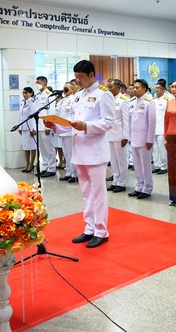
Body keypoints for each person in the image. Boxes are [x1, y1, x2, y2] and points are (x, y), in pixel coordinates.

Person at [69, 60, 115, 249]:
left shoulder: (103, 95)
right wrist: (55, 124)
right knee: (86, 193)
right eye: (76, 77)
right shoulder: (79, 96)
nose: (78, 81)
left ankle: (101, 231)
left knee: (98, 193)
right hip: (79, 149)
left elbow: (109, 122)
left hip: (95, 151)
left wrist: (87, 126)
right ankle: (89, 227)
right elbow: (72, 120)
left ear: (91, 75)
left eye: (81, 77)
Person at [127, 79, 156, 199]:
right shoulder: (133, 101)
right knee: (137, 165)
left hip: (144, 140)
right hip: (134, 139)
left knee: (145, 165)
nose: (135, 89)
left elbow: (152, 122)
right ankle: (139, 186)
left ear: (144, 89)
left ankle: (147, 188)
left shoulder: (150, 102)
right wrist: (129, 137)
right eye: (134, 87)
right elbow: (130, 121)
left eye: (137, 87)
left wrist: (150, 139)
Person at [106, 79, 130, 193]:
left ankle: (122, 182)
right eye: (108, 87)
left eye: (111, 87)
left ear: (119, 88)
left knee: (122, 160)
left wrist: (125, 136)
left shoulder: (123, 100)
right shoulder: (108, 99)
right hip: (109, 134)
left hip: (120, 134)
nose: (109, 89)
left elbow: (126, 120)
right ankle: (115, 180)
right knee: (113, 160)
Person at [34, 76, 57, 178]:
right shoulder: (39, 96)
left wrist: (49, 126)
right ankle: (45, 167)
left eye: (38, 82)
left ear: (44, 83)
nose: (37, 84)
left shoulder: (49, 95)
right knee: (42, 149)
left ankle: (52, 168)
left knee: (49, 148)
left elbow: (51, 112)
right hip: (39, 125)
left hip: (46, 126)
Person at [55, 82, 78, 183]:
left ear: (72, 90)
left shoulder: (75, 99)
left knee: (72, 153)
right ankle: (68, 172)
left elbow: (75, 114)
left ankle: (74, 174)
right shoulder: (62, 100)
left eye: (67, 88)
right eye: (64, 87)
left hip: (70, 130)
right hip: (61, 129)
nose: (64, 89)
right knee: (66, 153)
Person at [151, 82, 169, 175]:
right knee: (155, 148)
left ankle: (164, 166)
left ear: (163, 90)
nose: (156, 89)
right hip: (153, 128)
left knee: (162, 148)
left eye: (159, 88)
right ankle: (157, 165)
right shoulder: (152, 101)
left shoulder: (166, 101)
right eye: (156, 87)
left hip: (162, 128)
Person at [18, 86, 37, 172]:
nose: (24, 94)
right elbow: (20, 115)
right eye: (23, 93)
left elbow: (33, 116)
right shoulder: (23, 102)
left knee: (32, 147)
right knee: (25, 147)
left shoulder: (32, 102)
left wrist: (33, 129)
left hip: (30, 128)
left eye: (26, 93)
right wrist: (19, 126)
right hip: (24, 127)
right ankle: (27, 163)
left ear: (31, 93)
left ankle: (32, 164)